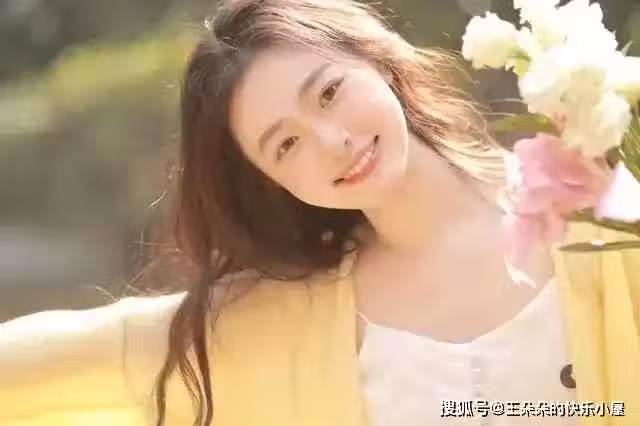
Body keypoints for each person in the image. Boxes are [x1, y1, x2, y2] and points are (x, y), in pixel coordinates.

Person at [1, 0, 639, 425]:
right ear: (273, 183)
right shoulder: (272, 320)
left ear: (375, 56)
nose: (332, 141)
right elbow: (79, 355)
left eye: (329, 92)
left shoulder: (601, 206)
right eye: (285, 145)